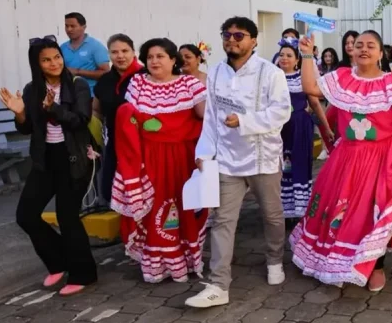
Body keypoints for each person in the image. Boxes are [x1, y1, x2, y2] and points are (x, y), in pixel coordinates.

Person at [289, 31, 392, 292]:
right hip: (347, 159)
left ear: (381, 53)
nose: (364, 50)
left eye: (371, 46)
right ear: (351, 51)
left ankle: (375, 267)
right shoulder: (341, 78)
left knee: (373, 214)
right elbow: (311, 88)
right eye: (359, 45)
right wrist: (306, 55)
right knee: (343, 213)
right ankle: (339, 262)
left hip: (384, 159)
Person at [185, 17, 292, 308]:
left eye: (239, 35)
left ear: (254, 40)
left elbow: (282, 112)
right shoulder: (216, 73)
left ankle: (274, 261)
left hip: (263, 158)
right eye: (227, 34)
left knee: (272, 216)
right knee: (222, 220)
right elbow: (210, 117)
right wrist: (204, 152)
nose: (232, 40)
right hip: (228, 160)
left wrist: (244, 121)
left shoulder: (270, 73)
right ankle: (219, 284)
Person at [0, 36, 98, 296]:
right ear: (37, 64)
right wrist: (19, 112)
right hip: (45, 159)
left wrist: (53, 108)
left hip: (74, 159)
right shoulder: (33, 89)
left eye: (57, 57)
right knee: (26, 216)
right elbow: (28, 128)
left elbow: (81, 119)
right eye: (46, 60)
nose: (54, 63)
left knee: (67, 217)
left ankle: (84, 274)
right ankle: (58, 261)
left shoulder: (76, 86)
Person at [110, 38, 207, 283]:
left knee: (184, 207)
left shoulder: (189, 83)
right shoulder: (138, 83)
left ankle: (185, 261)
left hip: (183, 157)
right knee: (154, 208)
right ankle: (160, 266)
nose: (154, 61)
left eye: (160, 56)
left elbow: (205, 115)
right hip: (150, 158)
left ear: (173, 60)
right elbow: (128, 118)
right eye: (150, 57)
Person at [277, 40, 332, 219]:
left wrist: (327, 128)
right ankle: (283, 210)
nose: (284, 58)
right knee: (282, 166)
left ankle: (300, 210)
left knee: (300, 164)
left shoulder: (303, 78)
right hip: (278, 130)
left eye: (289, 55)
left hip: (300, 128)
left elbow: (315, 103)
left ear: (297, 60)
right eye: (282, 55)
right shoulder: (272, 78)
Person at [93, 34, 142, 204]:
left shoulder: (145, 76)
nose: (120, 56)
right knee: (110, 188)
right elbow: (96, 110)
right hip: (114, 140)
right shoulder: (105, 80)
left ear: (133, 52)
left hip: (142, 142)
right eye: (114, 52)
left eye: (124, 51)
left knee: (140, 188)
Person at [61, 12, 110, 93]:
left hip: (90, 95)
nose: (69, 29)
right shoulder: (62, 47)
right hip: (68, 95)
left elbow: (106, 73)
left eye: (73, 26)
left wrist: (78, 72)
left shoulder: (95, 46)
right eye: (66, 26)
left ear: (83, 27)